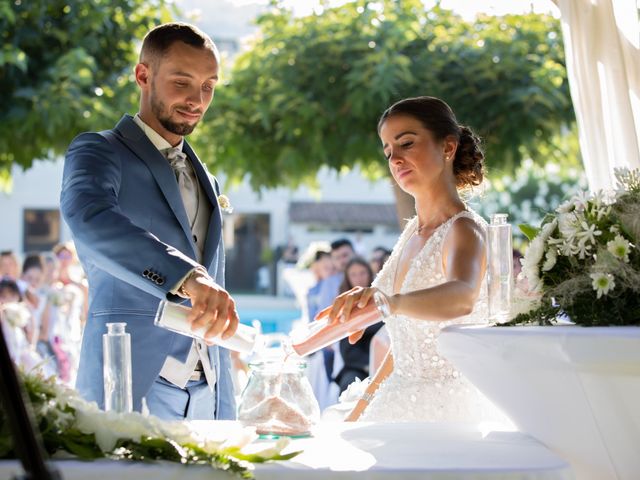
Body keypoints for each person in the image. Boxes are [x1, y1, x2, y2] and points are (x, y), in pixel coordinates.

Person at [60, 22, 238, 420]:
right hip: (128, 383)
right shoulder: (99, 151)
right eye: (182, 82)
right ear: (143, 75)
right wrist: (186, 276)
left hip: (210, 394)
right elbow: (90, 218)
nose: (197, 99)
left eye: (209, 86)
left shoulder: (206, 176)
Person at [328, 96, 500, 423]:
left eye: (406, 143)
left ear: (448, 148)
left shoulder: (465, 229)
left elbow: (462, 296)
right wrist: (361, 407)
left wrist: (389, 302)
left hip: (447, 412)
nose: (395, 159)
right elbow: (405, 344)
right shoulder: (411, 233)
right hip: (396, 401)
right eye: (388, 151)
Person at [334, 257, 383, 393]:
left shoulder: (382, 299)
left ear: (369, 273)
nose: (359, 278)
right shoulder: (344, 308)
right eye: (354, 274)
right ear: (348, 278)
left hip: (385, 361)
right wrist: (369, 365)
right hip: (358, 366)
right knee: (350, 385)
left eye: (362, 273)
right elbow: (347, 349)